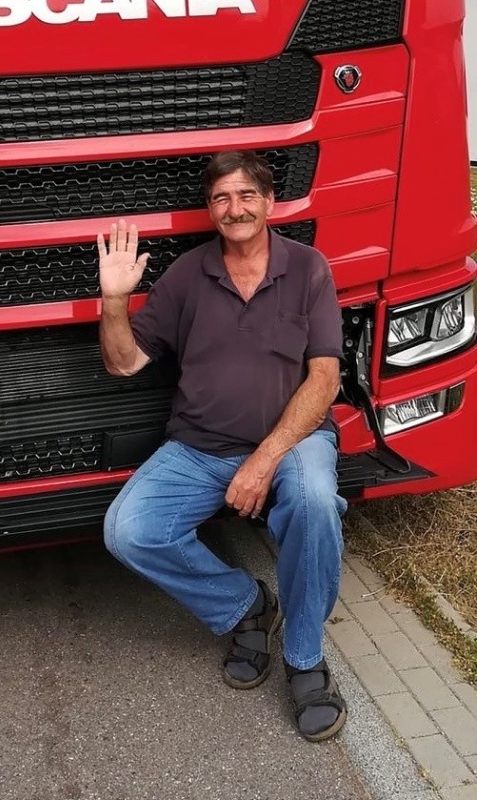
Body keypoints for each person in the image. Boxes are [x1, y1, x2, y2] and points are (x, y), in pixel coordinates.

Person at [97, 150, 348, 742]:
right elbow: (123, 362)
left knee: (314, 501)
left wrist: (264, 459)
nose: (235, 209)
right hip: (200, 445)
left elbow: (324, 380)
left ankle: (304, 657)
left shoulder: (308, 268)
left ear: (270, 202)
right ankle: (246, 607)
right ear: (210, 210)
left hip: (294, 442)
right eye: (221, 198)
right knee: (129, 530)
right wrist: (114, 301)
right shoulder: (188, 275)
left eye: (246, 195)